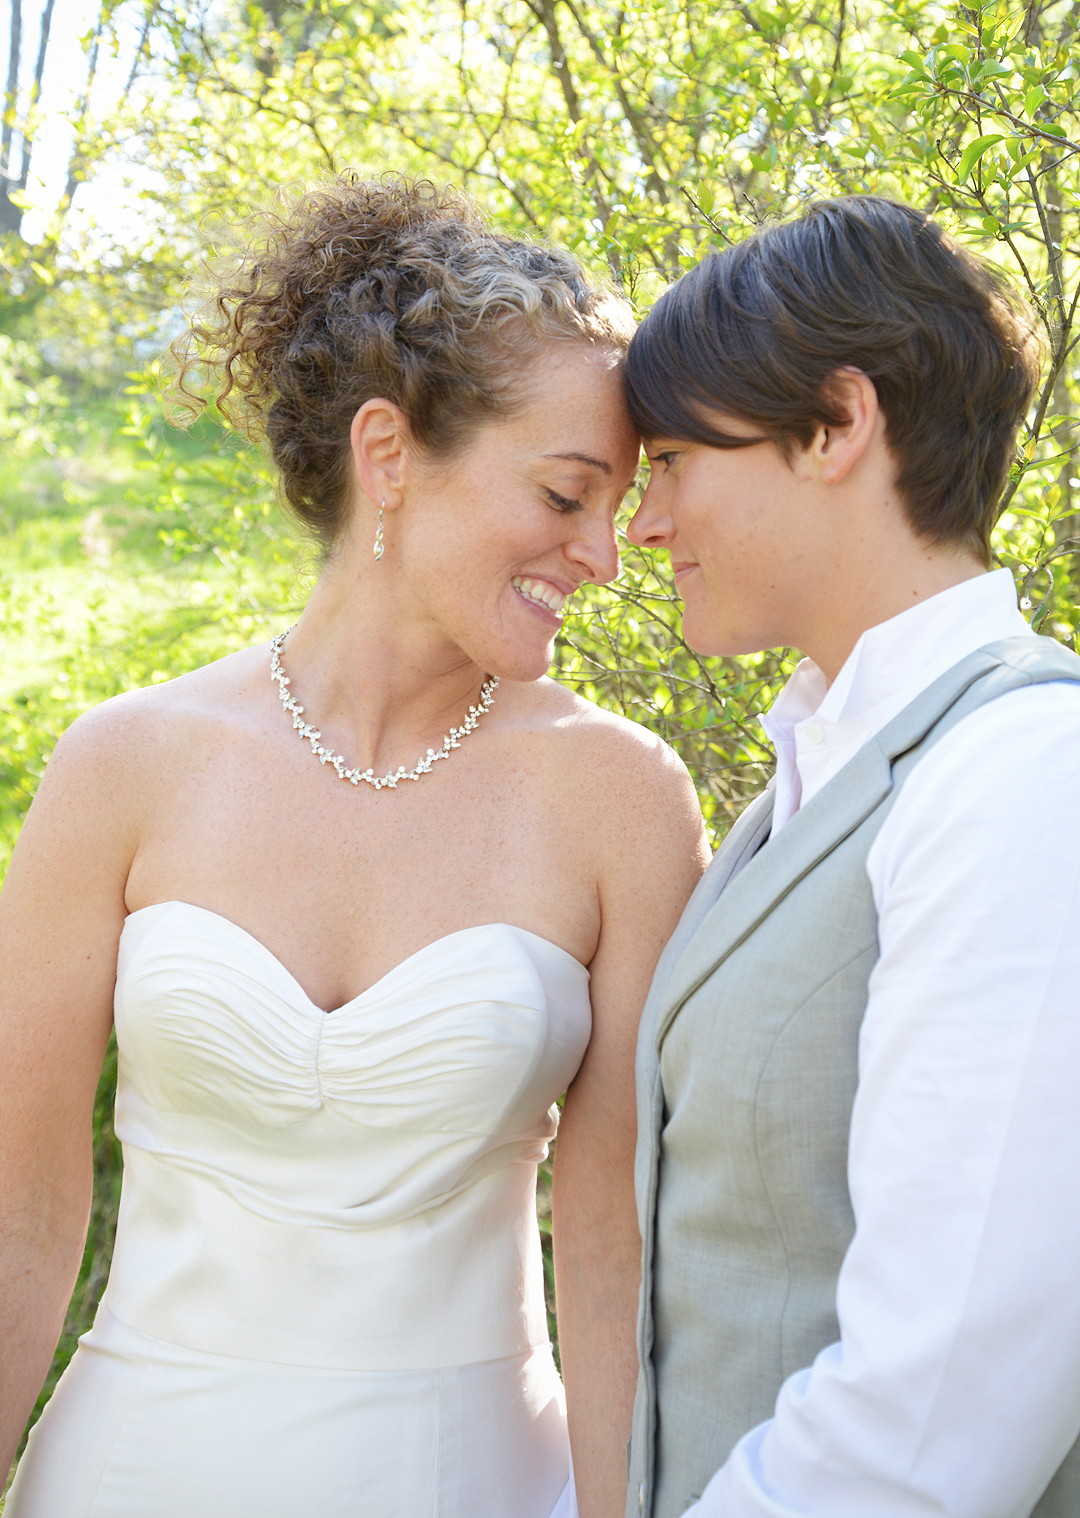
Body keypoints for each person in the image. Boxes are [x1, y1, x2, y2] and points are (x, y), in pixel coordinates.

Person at [0, 174, 708, 1518]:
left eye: (616, 502)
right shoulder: (124, 765)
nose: (606, 552)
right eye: (567, 494)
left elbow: (614, 1254)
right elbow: (17, 1216)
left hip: (473, 1485)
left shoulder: (623, 797)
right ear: (388, 455)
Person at [620, 195, 1080, 1518]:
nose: (644, 525)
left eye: (670, 459)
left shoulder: (1019, 773)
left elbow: (939, 1413)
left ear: (834, 425)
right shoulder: (824, 767)